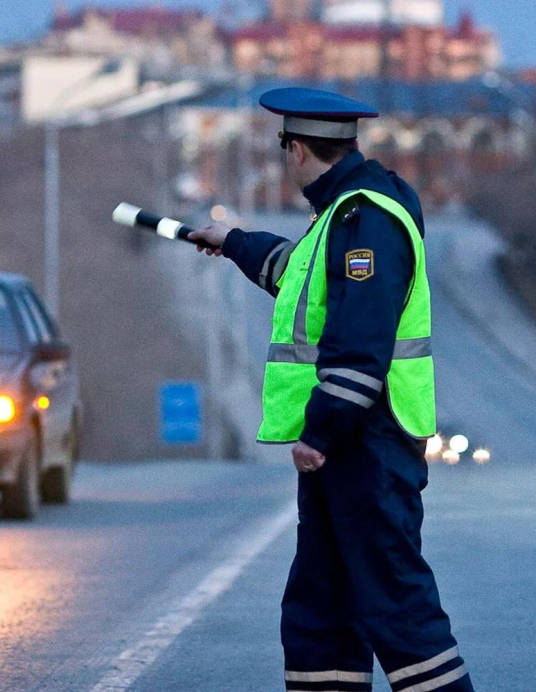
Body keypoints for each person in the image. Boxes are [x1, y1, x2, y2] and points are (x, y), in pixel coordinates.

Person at [188, 87, 474, 692]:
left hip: (366, 442)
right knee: (321, 608)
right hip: (352, 445)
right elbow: (300, 277)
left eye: (283, 148)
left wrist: (320, 433)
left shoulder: (365, 217)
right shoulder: (344, 214)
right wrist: (232, 240)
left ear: (295, 149)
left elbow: (359, 337)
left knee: (398, 608)